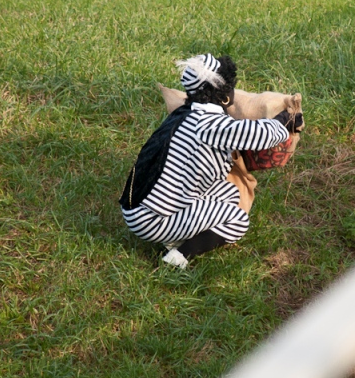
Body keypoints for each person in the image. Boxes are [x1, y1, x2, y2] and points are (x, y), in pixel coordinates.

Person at [119, 54, 297, 268]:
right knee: (238, 220)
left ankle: (180, 232)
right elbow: (265, 134)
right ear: (223, 94)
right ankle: (178, 257)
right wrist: (285, 119)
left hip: (138, 207)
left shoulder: (186, 113)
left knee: (230, 193)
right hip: (150, 220)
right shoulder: (210, 126)